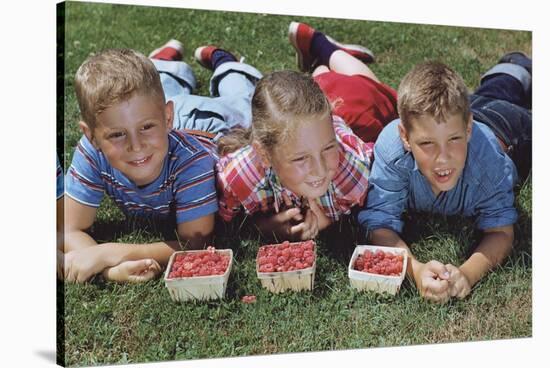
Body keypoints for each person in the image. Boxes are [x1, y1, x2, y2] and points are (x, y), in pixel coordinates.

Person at [63, 40, 262, 283]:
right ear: (91, 135)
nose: (135, 146)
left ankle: (227, 64)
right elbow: (69, 229)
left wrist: (112, 252)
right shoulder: (91, 152)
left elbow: (195, 243)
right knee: (151, 98)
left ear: (169, 118)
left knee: (244, 104)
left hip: (211, 125)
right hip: (166, 120)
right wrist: (109, 270)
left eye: (145, 128)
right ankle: (165, 65)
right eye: (117, 134)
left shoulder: (193, 165)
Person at [357, 53, 532, 303]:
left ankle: (516, 66)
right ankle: (513, 66)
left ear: (467, 130)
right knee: (493, 91)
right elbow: (379, 222)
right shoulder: (392, 150)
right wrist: (415, 270)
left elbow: (501, 232)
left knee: (506, 99)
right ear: (405, 137)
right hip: (460, 115)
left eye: (454, 141)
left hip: (509, 131)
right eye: (427, 143)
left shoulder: (486, 161)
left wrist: (468, 274)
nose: (443, 158)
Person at [288, 21, 398, 143]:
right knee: (324, 73)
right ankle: (321, 48)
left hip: (346, 110)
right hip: (343, 104)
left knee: (369, 94)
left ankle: (321, 49)